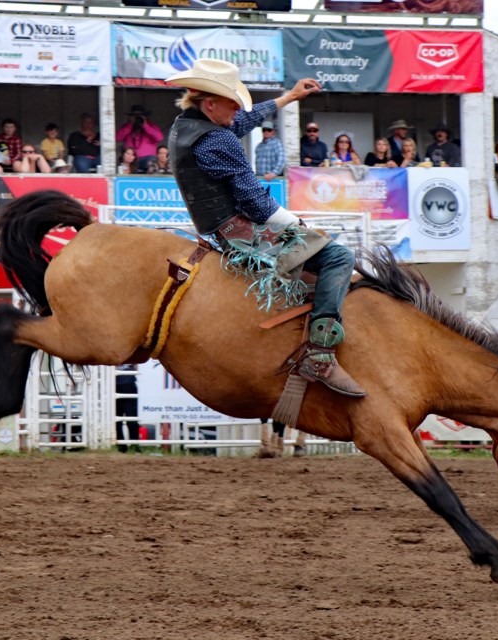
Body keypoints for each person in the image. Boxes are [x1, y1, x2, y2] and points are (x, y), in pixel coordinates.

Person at [167, 58, 365, 397]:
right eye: (232, 104)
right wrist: (299, 225)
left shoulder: (186, 126)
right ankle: (320, 354)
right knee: (338, 259)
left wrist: (288, 98)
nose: (237, 112)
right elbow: (255, 202)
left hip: (215, 228)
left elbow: (242, 120)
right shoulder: (219, 140)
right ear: (211, 103)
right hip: (244, 235)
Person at [117, 105, 163, 172]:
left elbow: (159, 138)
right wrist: (131, 124)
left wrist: (145, 125)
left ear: (145, 117)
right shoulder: (126, 127)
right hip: (130, 161)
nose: (137, 118)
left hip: (147, 160)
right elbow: (118, 138)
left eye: (140, 116)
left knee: (152, 160)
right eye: (135, 116)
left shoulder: (152, 126)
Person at [115, 364, 140, 453]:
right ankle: (132, 445)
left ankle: (124, 446)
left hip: (121, 383)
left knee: (125, 418)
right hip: (126, 382)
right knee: (130, 418)